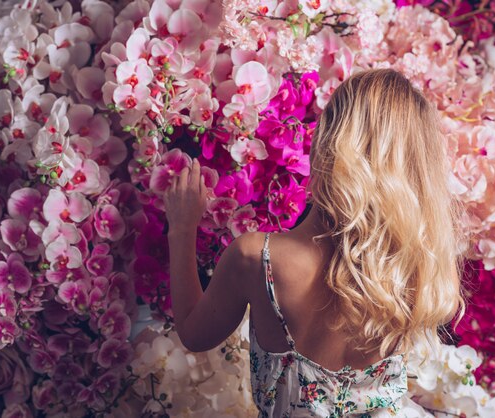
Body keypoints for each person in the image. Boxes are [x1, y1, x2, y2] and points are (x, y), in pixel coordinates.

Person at [163, 68, 467, 417]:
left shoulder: (258, 258)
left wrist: (182, 229)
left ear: (325, 143)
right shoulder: (417, 267)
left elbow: (194, 334)